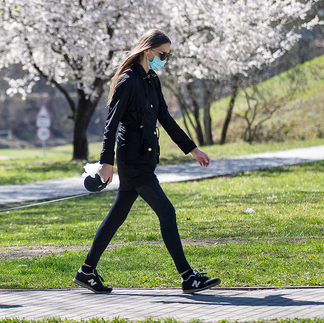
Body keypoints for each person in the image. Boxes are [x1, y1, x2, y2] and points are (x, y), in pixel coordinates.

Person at [73, 29, 220, 295]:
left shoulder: (152, 81)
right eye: (162, 54)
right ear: (148, 51)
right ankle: (188, 276)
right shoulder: (127, 81)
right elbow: (111, 123)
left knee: (117, 216)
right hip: (133, 161)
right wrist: (106, 162)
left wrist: (193, 149)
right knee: (167, 211)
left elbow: (166, 118)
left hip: (145, 159)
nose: (165, 59)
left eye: (168, 55)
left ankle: (86, 271)